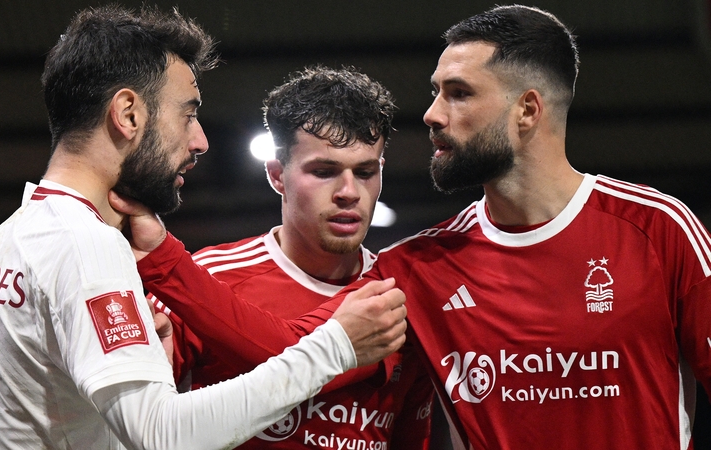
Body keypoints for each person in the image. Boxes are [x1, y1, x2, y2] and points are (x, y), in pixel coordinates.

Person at [111, 4, 711, 449]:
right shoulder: (419, 268)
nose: (430, 114)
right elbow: (294, 352)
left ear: (527, 110)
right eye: (434, 92)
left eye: (457, 93)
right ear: (279, 175)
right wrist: (162, 258)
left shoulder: (657, 231)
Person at [0, 6, 409, 450]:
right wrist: (333, 348)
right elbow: (160, 435)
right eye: (187, 114)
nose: (200, 140)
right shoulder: (87, 244)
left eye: (366, 172)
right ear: (128, 114)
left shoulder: (10, 236)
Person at [150, 66, 433, 449]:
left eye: (365, 171)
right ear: (277, 175)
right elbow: (145, 427)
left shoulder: (403, 293)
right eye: (323, 171)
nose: (349, 192)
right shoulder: (207, 279)